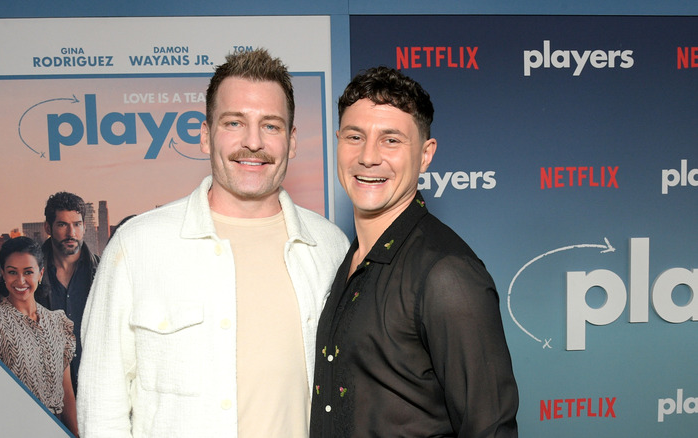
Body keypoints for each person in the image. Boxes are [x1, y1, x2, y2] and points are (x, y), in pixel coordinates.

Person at [77, 48, 349, 437]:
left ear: (291, 142)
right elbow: (101, 407)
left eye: (270, 126)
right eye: (234, 123)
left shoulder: (330, 247)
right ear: (206, 135)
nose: (252, 142)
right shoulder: (137, 246)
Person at [310, 66, 519, 437]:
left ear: (425, 155)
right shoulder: (347, 257)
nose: (368, 157)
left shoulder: (447, 273)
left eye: (391, 140)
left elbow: (491, 428)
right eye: (355, 136)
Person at [0, 236, 78, 436]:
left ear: (40, 273)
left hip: (57, 427)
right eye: (12, 272)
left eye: (28, 272)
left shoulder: (57, 322)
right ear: (3, 274)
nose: (20, 281)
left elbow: (67, 391)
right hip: (16, 429)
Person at [37, 191, 99, 395]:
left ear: (84, 227)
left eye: (77, 224)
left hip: (96, 386)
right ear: (48, 228)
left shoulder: (102, 271)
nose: (71, 233)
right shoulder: (31, 276)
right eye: (63, 224)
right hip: (47, 391)